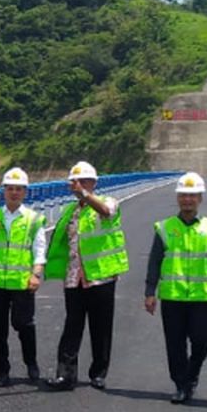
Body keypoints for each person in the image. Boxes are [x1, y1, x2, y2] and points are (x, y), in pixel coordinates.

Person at [45, 161, 129, 391]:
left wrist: (84, 194)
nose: (79, 186)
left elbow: (106, 212)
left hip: (100, 275)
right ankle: (65, 374)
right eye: (75, 182)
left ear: (93, 183)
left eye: (84, 182)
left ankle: (98, 372)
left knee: (100, 327)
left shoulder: (108, 202)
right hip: (74, 277)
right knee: (72, 326)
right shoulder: (69, 212)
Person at [143, 172, 207, 404]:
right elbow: (154, 261)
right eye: (183, 196)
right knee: (175, 344)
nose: (187, 200)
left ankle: (192, 374)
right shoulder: (164, 228)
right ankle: (181, 384)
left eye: (192, 196)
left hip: (202, 297)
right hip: (173, 296)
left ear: (200, 198)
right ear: (178, 198)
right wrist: (150, 292)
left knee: (202, 341)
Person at [0, 167, 47, 387]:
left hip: (22, 282)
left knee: (24, 325)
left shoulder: (33, 219)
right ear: (4, 190)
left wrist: (36, 274)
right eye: (10, 188)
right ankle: (2, 371)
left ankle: (31, 363)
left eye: (19, 189)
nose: (14, 193)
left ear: (25, 192)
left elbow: (39, 250)